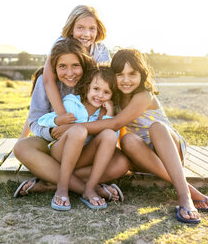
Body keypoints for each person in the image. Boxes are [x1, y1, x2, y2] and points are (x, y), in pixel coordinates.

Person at [51, 49, 208, 224]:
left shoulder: (144, 95)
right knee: (127, 140)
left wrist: (73, 126)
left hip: (169, 151)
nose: (126, 80)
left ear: (142, 74)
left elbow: (115, 124)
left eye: (132, 74)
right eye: (120, 74)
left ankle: (186, 195)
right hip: (139, 157)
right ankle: (55, 182)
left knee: (157, 127)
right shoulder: (114, 96)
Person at [13, 38, 128, 203]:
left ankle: (48, 183)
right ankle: (88, 189)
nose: (69, 73)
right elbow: (36, 121)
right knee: (21, 147)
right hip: (59, 145)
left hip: (87, 151)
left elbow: (110, 132)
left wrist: (103, 116)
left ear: (84, 65)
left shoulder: (99, 84)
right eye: (62, 66)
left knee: (121, 163)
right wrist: (54, 129)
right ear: (54, 67)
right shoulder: (62, 94)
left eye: (75, 66)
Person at [20, 5, 110, 138]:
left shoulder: (100, 49)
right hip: (62, 86)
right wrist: (62, 118)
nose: (86, 34)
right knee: (42, 98)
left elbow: (107, 81)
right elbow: (48, 79)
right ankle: (22, 138)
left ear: (98, 30)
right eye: (80, 28)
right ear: (71, 29)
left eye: (92, 29)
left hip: (86, 88)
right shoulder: (61, 43)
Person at [38, 66, 119, 210]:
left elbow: (112, 141)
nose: (100, 95)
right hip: (60, 152)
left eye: (106, 92)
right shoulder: (71, 102)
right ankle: (62, 188)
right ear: (87, 86)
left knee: (110, 134)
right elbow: (42, 120)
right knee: (79, 131)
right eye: (96, 89)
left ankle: (89, 188)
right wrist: (58, 121)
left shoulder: (104, 112)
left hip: (82, 157)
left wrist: (109, 114)